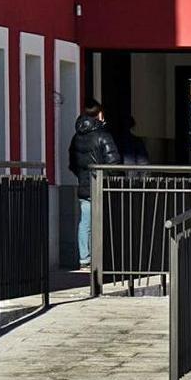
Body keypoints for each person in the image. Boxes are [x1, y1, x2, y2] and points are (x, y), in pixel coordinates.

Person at [68, 98, 121, 270]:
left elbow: (73, 163)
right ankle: (103, 259)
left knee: (85, 223)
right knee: (103, 222)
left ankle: (85, 259)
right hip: (101, 186)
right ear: (99, 114)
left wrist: (83, 176)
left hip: (84, 185)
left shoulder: (76, 137)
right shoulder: (103, 136)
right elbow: (113, 163)